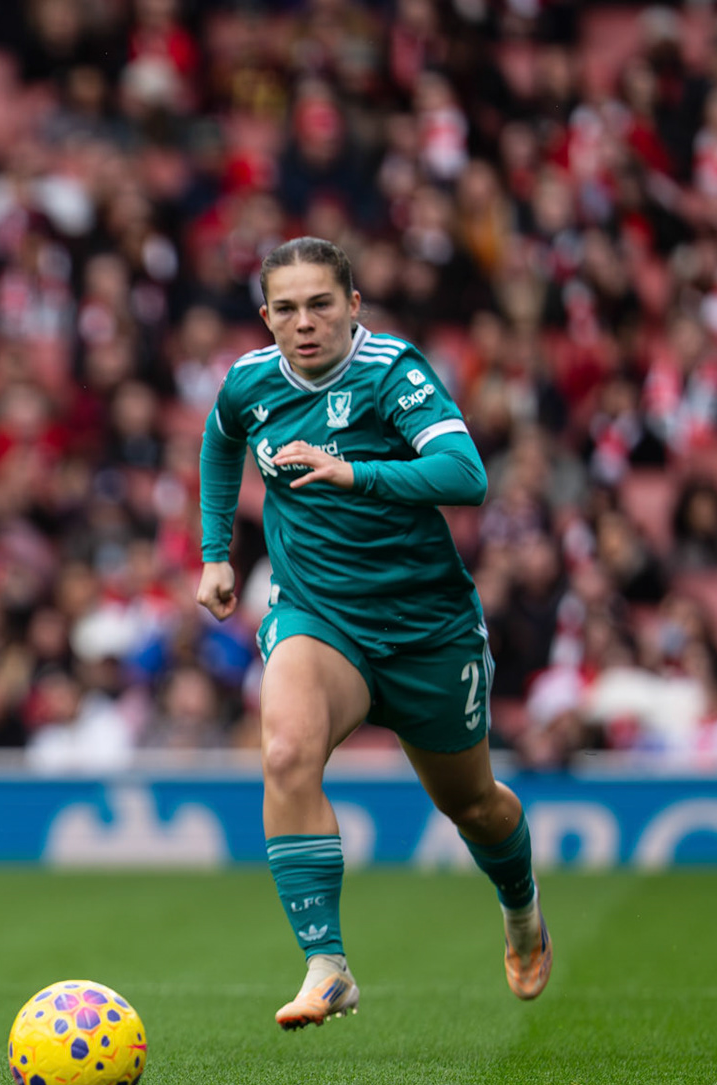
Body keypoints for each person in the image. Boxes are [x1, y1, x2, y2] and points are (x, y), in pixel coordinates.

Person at [196, 236, 550, 1030]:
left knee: (475, 807)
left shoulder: (392, 371)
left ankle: (521, 908)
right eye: (286, 309)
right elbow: (221, 443)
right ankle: (327, 964)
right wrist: (217, 553)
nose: (305, 322)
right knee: (286, 751)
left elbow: (466, 475)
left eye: (321, 303)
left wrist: (354, 470)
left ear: (353, 305)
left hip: (427, 630)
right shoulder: (249, 383)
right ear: (266, 317)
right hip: (319, 617)